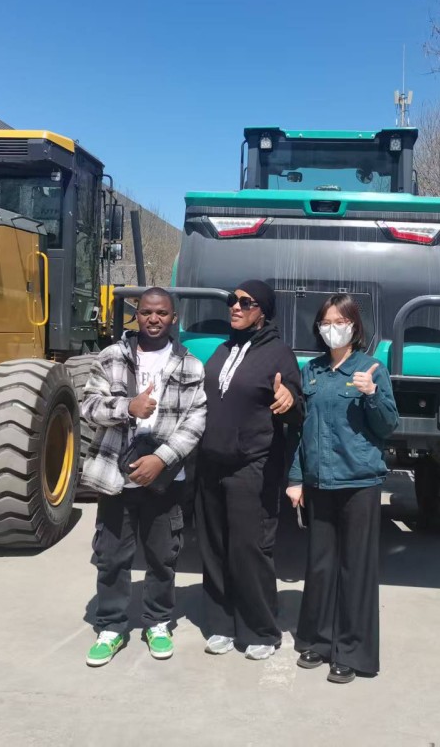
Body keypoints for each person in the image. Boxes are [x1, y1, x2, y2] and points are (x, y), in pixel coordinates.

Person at [80, 287, 206, 666]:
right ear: (137, 315)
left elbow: (195, 422)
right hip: (116, 477)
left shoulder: (190, 365)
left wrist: (161, 461)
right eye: (147, 312)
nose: (154, 319)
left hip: (164, 480)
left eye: (162, 313)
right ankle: (111, 626)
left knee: (162, 556)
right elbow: (88, 406)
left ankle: (158, 622)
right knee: (111, 556)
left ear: (173, 318)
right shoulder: (112, 357)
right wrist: (127, 407)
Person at [286, 293, 399, 683]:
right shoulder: (312, 371)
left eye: (340, 321)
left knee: (356, 567)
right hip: (319, 481)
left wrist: (371, 395)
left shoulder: (370, 369)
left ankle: (350, 651)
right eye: (326, 322)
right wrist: (296, 478)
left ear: (354, 326)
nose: (333, 328)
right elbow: (301, 430)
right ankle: (318, 641)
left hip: (358, 482)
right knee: (320, 565)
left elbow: (388, 425)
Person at [196, 279, 303, 660]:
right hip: (211, 464)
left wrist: (289, 400)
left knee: (250, 549)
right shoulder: (222, 349)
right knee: (214, 546)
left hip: (253, 465)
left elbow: (298, 411)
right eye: (232, 300)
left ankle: (261, 630)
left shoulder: (279, 354)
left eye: (246, 302)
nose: (236, 307)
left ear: (263, 312)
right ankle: (221, 624)